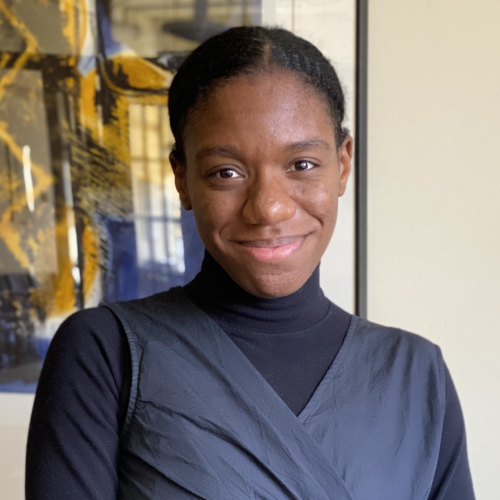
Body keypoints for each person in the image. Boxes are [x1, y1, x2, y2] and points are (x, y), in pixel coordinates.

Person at [25, 27, 475, 499]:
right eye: (227, 173)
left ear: (342, 164)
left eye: (301, 164)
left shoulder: (417, 374)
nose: (268, 209)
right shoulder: (107, 353)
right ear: (182, 179)